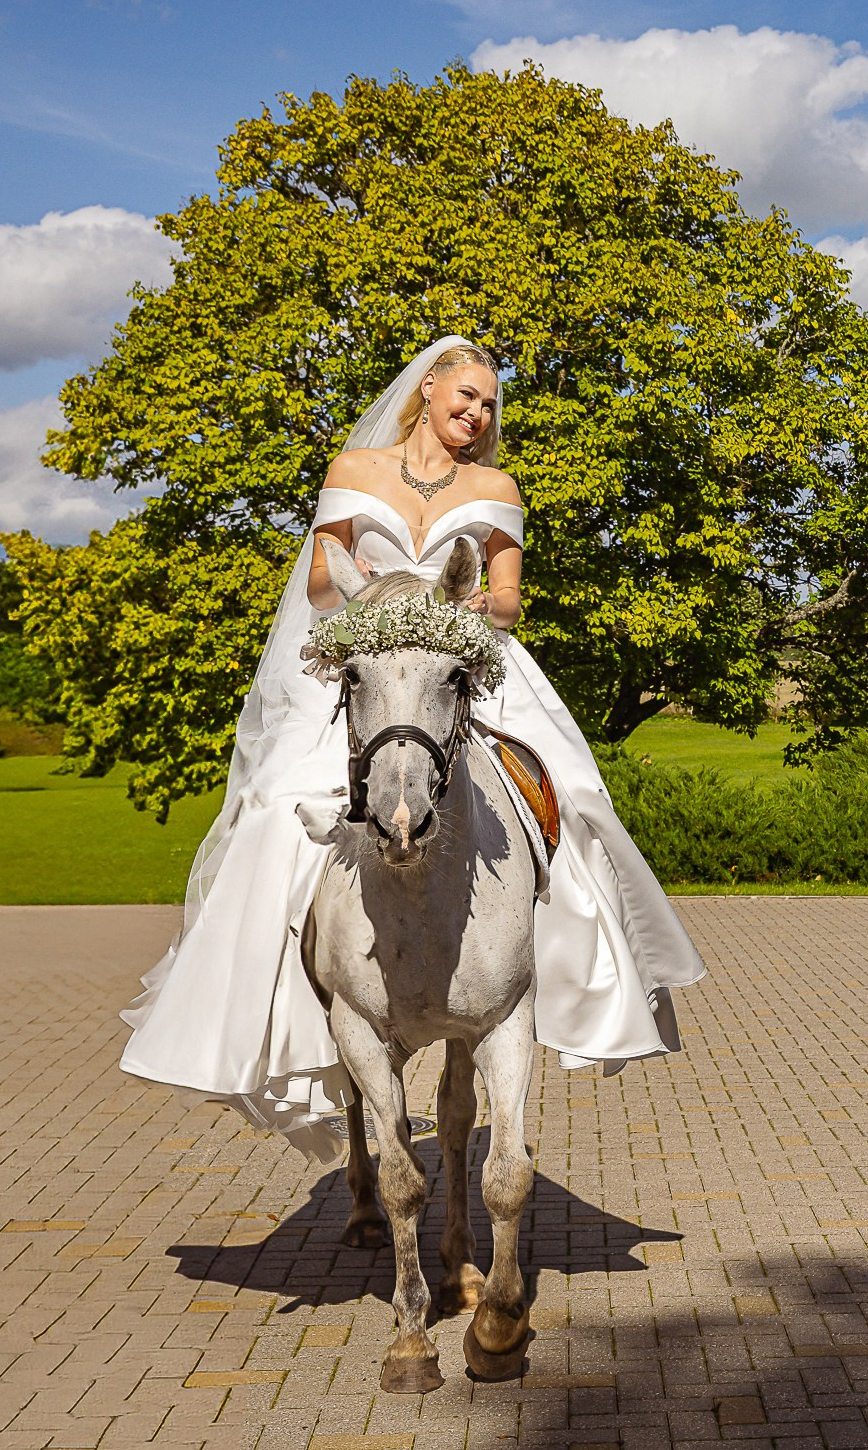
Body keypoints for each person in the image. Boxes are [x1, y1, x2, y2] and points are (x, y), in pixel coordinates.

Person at [119, 338, 706, 1160]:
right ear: (428, 389)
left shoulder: (495, 488)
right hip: (362, 658)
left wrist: (455, 613)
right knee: (271, 812)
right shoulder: (355, 468)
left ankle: (574, 982)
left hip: (465, 662)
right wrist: (365, 595)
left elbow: (507, 601)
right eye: (465, 396)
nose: (477, 414)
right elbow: (322, 584)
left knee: (573, 796)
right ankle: (275, 997)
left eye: (490, 404)